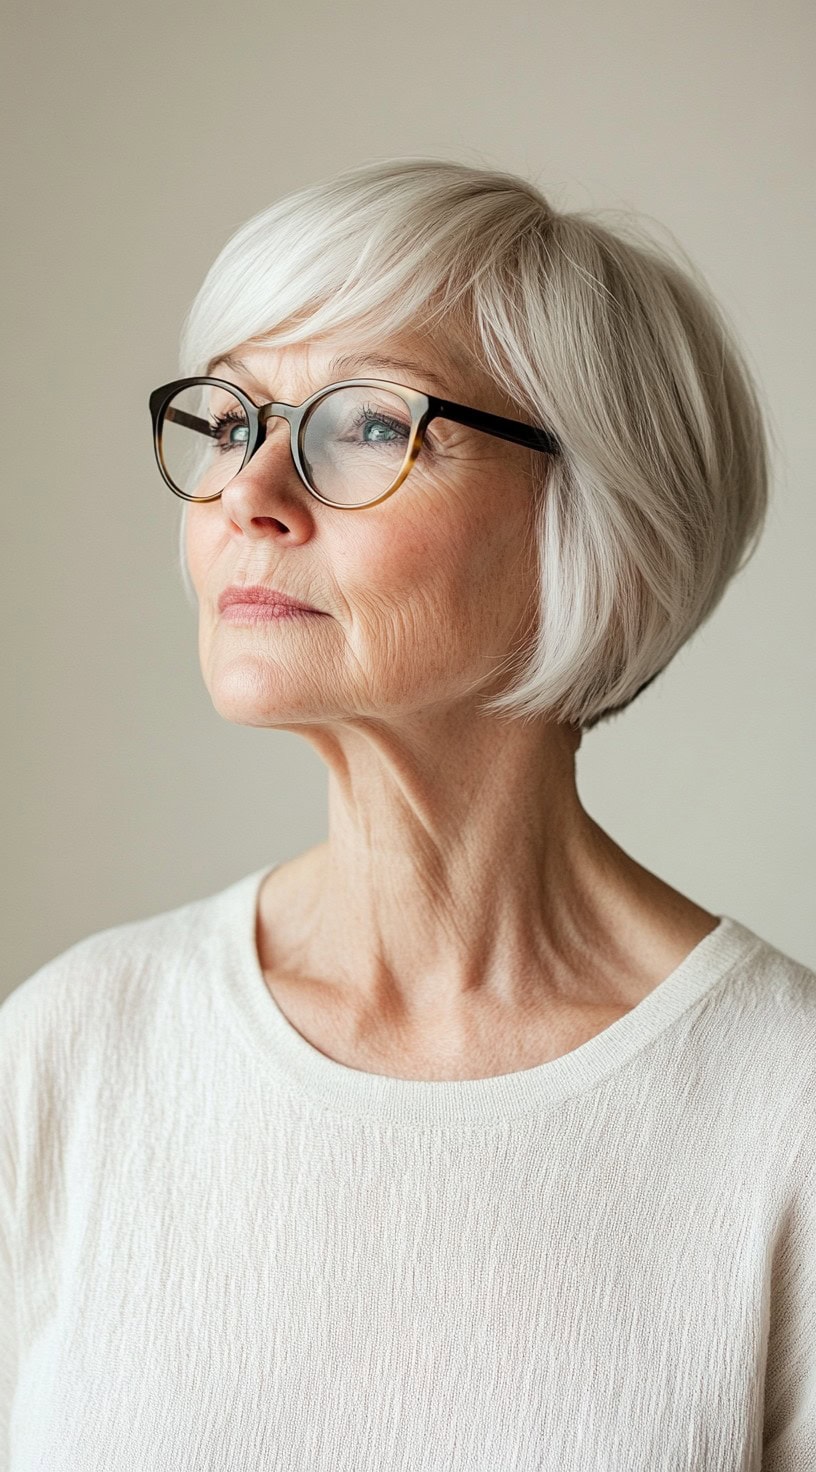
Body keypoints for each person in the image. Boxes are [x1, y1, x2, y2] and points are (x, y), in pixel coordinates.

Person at [1, 156, 813, 1470]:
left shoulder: (784, 1114)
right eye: (229, 422)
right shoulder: (70, 1059)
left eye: (367, 425)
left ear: (598, 517)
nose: (248, 495)